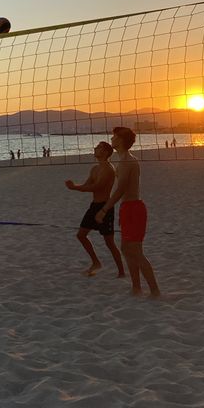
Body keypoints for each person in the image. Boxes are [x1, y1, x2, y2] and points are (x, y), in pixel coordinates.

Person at [95, 127, 161, 298]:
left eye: (115, 136)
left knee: (136, 252)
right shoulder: (122, 160)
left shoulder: (127, 162)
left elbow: (120, 189)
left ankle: (155, 291)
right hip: (127, 208)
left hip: (134, 208)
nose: (111, 138)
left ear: (121, 140)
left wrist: (104, 209)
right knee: (125, 249)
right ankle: (136, 287)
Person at [65, 142, 125, 277]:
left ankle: (121, 272)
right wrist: (75, 187)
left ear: (105, 152)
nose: (95, 149)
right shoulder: (94, 168)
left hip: (105, 207)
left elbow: (96, 187)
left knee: (109, 242)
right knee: (81, 235)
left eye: (98, 148)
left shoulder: (109, 169)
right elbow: (87, 185)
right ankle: (96, 262)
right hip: (94, 206)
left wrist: (74, 187)